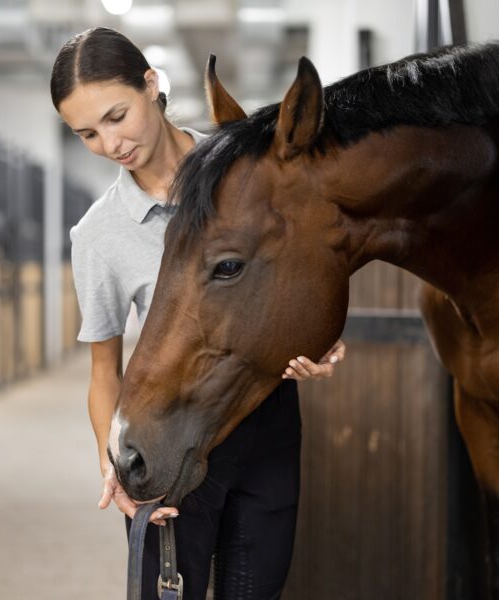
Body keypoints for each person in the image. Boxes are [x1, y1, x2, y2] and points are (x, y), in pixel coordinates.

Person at [50, 27, 346, 600]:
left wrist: (324, 345)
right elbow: (103, 373)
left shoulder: (247, 175)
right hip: (170, 428)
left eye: (117, 116)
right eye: (86, 133)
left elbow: (301, 270)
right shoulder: (98, 235)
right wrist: (112, 466)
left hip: (266, 416)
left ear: (151, 85)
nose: (111, 143)